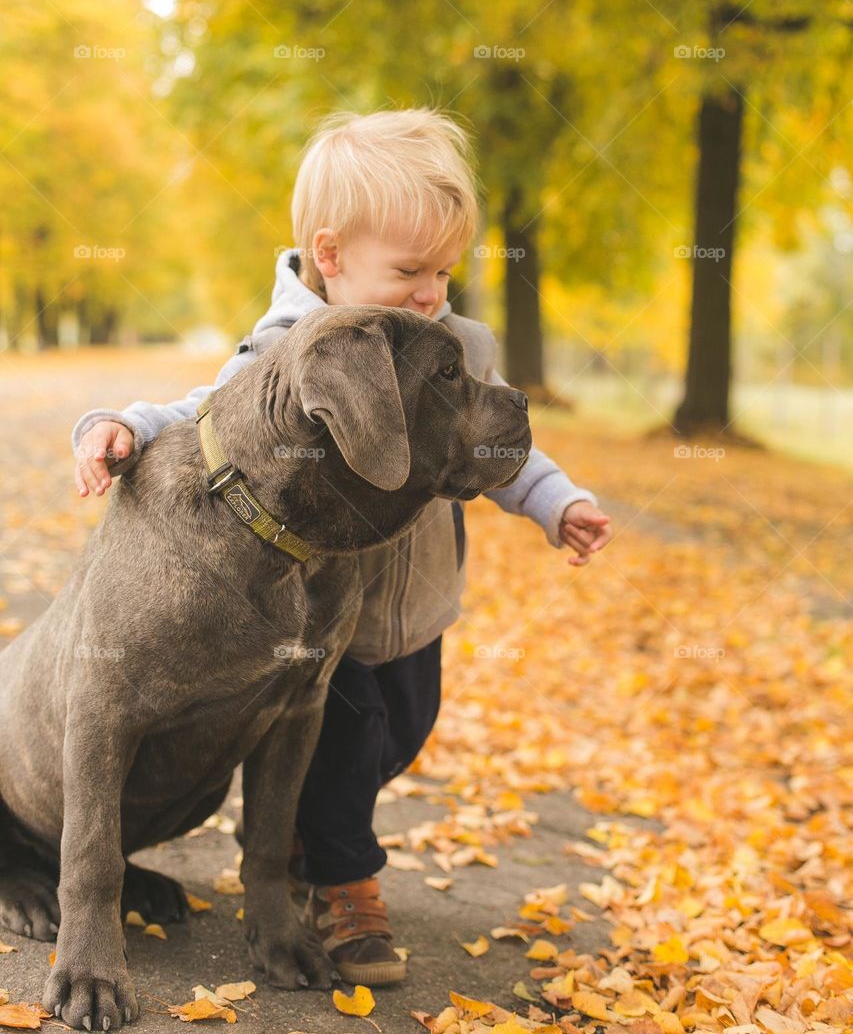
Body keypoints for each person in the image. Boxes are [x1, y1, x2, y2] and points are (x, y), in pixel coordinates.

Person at [71, 107, 612, 987]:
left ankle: (303, 837)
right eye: (409, 271)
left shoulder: (454, 344)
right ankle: (341, 880)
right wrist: (122, 426)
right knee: (343, 743)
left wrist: (556, 501)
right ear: (331, 257)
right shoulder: (292, 346)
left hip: (421, 603)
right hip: (333, 615)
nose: (432, 291)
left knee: (403, 732)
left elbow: (501, 442)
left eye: (443, 270)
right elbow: (204, 411)